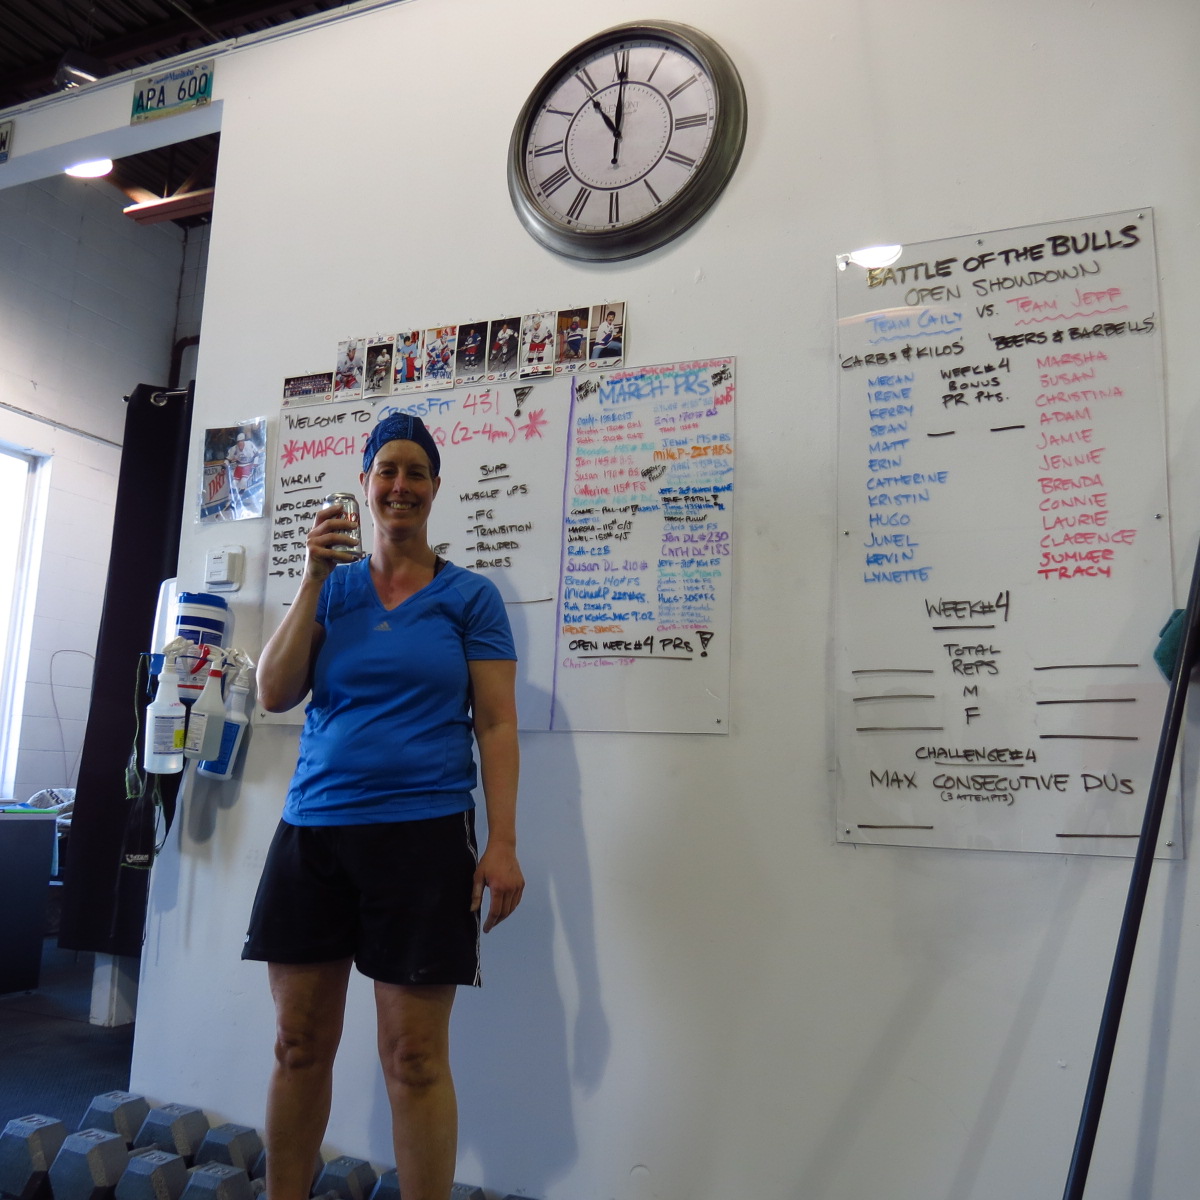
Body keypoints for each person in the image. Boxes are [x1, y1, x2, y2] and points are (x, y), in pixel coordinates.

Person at [244, 413, 524, 1200]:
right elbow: (274, 692)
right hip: (315, 834)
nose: (401, 485)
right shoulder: (329, 589)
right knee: (298, 1044)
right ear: (365, 484)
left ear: (435, 487)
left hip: (424, 840)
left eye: (416, 472)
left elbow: (497, 724)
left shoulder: (470, 598)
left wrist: (503, 843)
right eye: (387, 471)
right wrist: (310, 577)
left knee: (415, 1058)